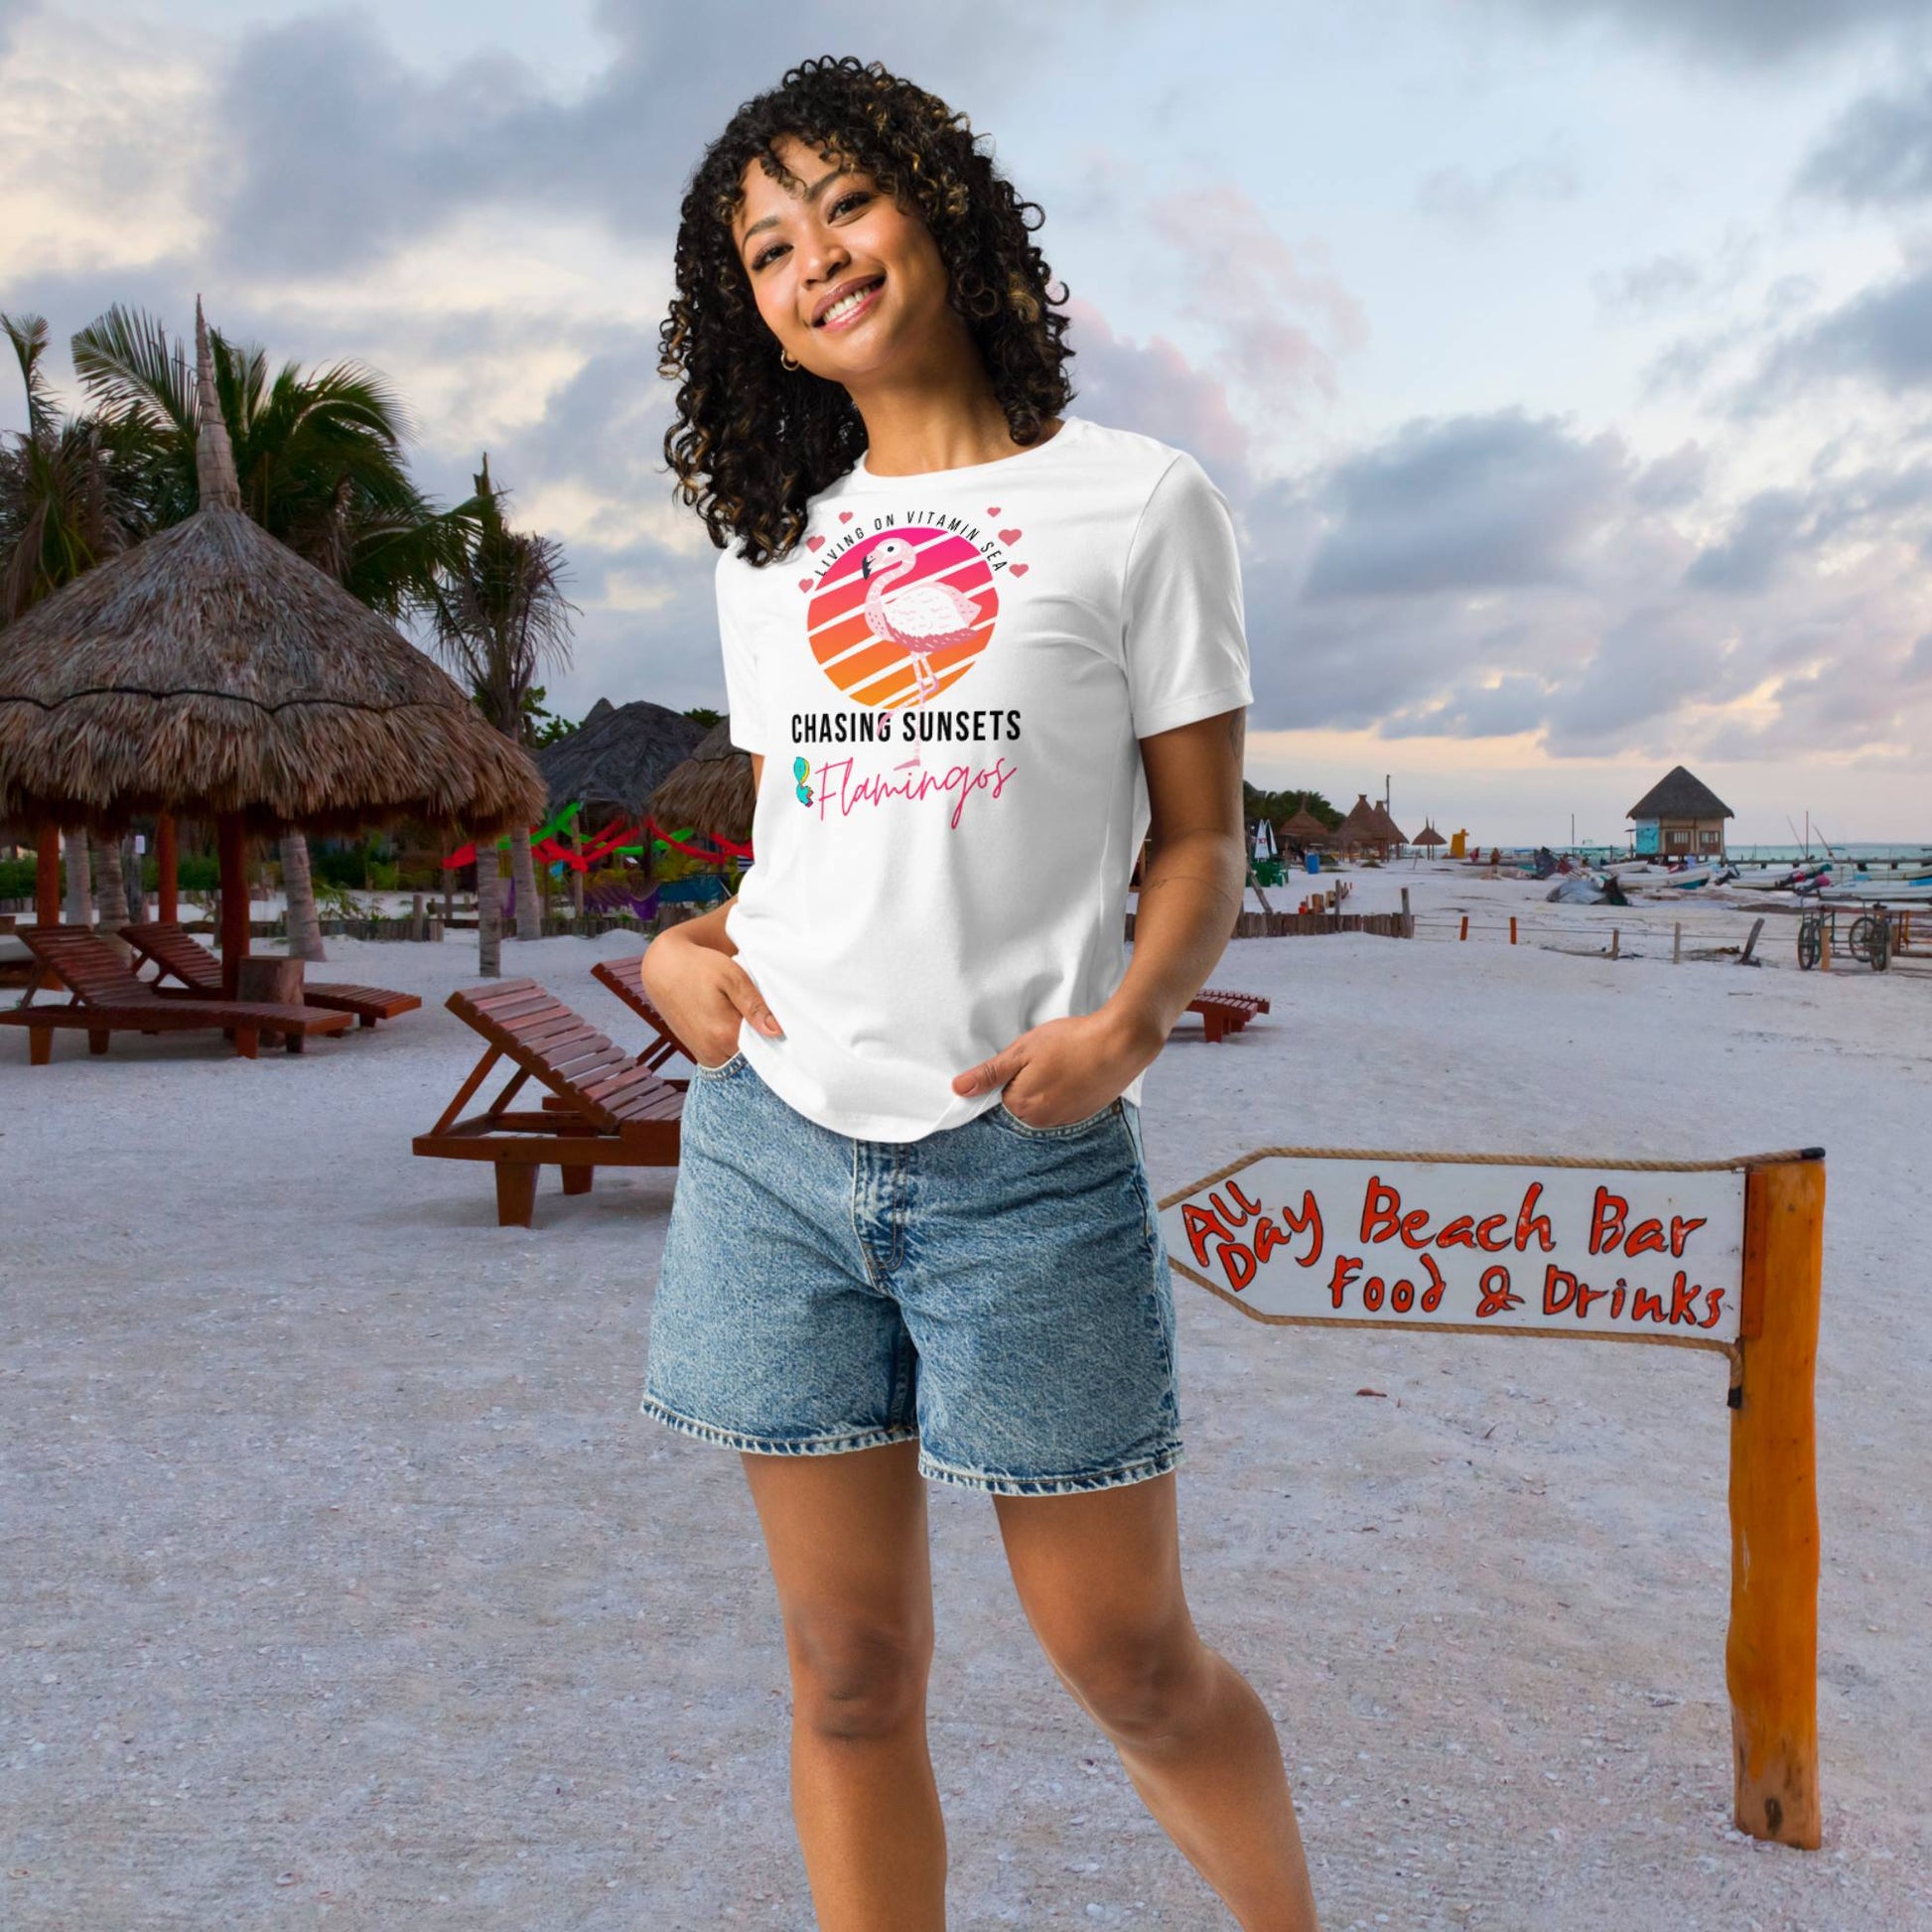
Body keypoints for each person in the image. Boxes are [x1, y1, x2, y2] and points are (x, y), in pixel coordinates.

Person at [639, 55, 1320, 1932]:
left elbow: (1196, 843)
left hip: (1019, 1159)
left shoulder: (1137, 505)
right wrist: (669, 951)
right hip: (772, 1150)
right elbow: (804, 848)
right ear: (748, 315)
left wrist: (1128, 1026)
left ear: (936, 206)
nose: (814, 259)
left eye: (842, 204)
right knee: (847, 1672)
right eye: (765, 248)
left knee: (1127, 1658)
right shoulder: (773, 556)